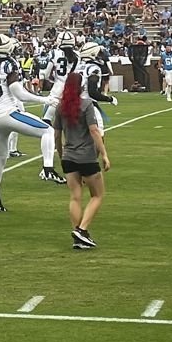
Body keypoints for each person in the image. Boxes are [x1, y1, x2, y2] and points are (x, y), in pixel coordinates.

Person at [0, 34, 62, 212]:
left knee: (0, 158)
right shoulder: (9, 64)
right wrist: (44, 100)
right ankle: (47, 168)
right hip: (8, 113)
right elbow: (19, 93)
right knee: (47, 131)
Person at [55, 73, 110, 250]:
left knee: (75, 197)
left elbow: (56, 134)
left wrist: (61, 153)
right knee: (98, 195)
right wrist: (104, 154)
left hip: (68, 156)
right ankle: (82, 229)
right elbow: (94, 130)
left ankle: (77, 235)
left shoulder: (60, 107)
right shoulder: (87, 105)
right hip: (86, 156)